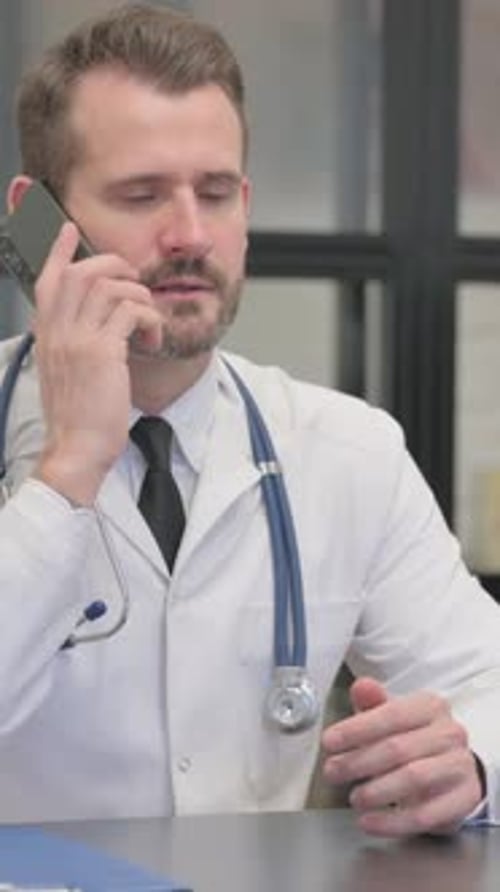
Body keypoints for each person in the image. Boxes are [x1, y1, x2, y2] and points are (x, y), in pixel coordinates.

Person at [0, 2, 499, 837]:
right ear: (38, 219)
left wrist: (472, 762)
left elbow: (489, 685)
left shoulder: (346, 453)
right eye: (142, 193)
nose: (190, 234)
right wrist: (70, 470)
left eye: (216, 192)